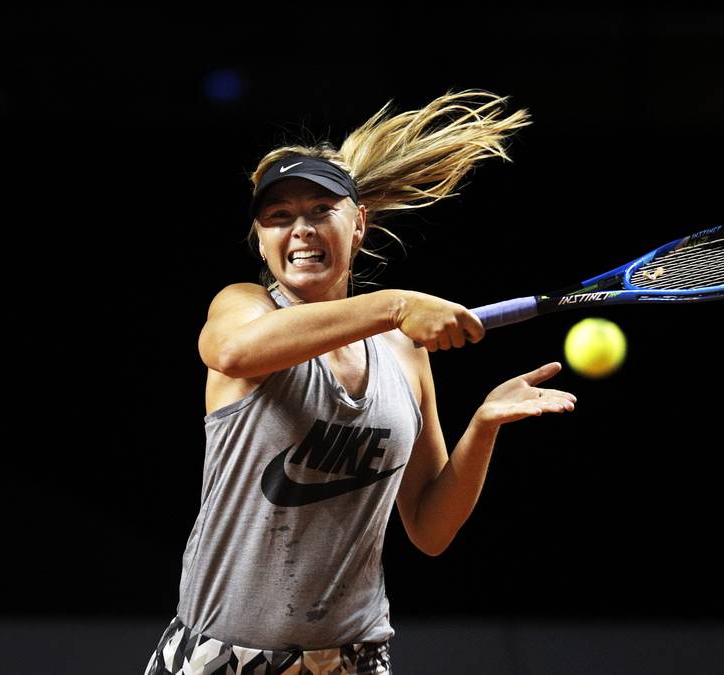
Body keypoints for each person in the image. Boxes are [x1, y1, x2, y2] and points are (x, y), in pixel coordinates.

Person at [144, 89, 577, 675]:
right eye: (279, 217)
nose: (299, 228)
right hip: (223, 655)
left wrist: (483, 426)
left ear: (359, 224)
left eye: (320, 210)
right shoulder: (245, 308)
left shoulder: (403, 351)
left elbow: (429, 528)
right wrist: (395, 304)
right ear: (261, 240)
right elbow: (230, 351)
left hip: (353, 656)